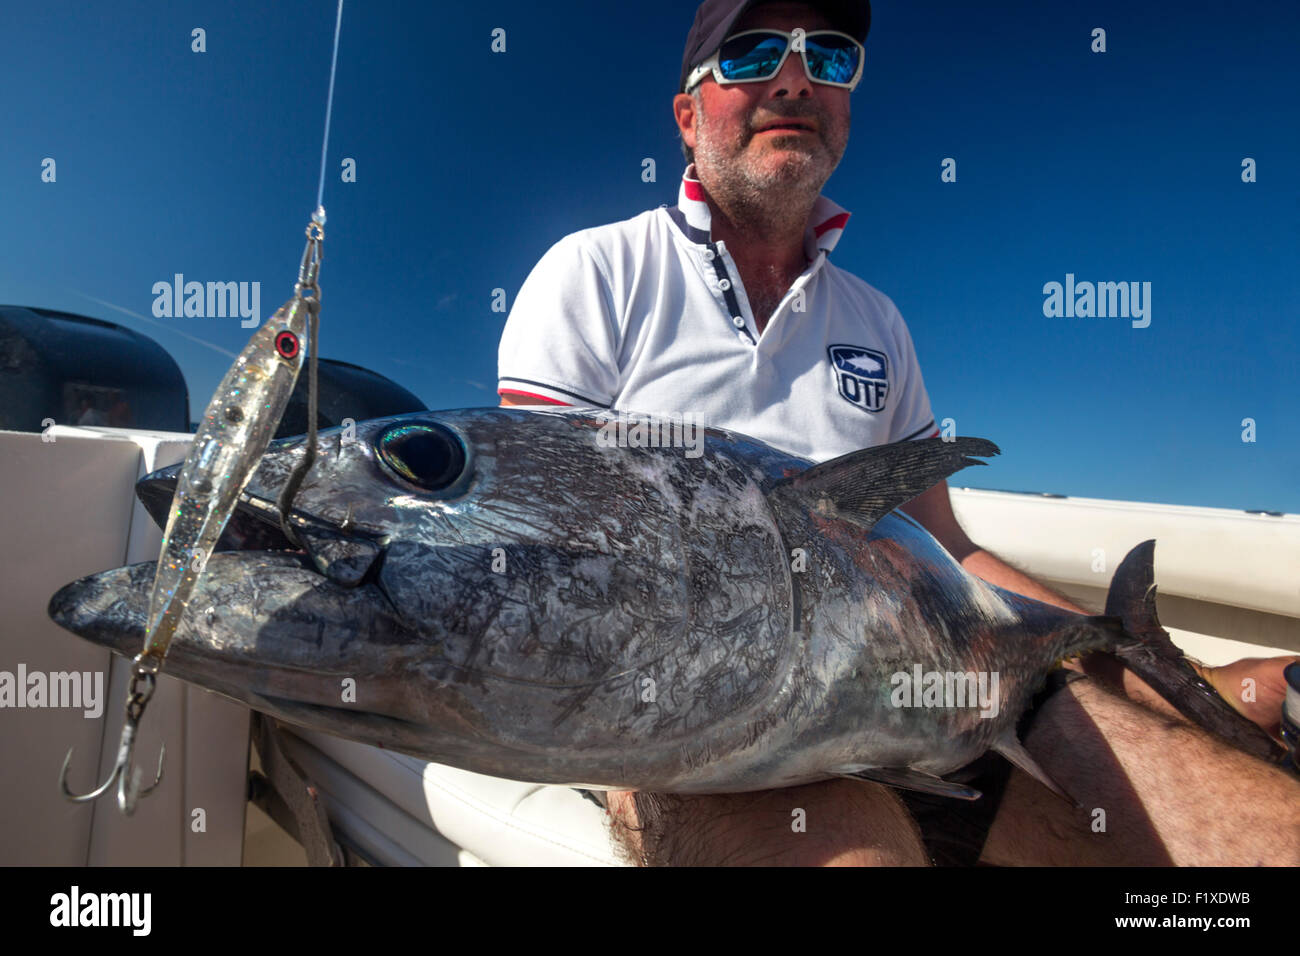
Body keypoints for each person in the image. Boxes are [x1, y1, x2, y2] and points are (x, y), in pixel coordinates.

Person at [497, 0, 1299, 866]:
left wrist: (1123, 656)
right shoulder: (594, 274)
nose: (796, 78)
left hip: (924, 686)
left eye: (831, 58)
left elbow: (944, 543)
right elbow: (551, 554)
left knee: (1261, 834)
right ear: (688, 117)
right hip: (693, 718)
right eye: (756, 52)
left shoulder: (877, 320)